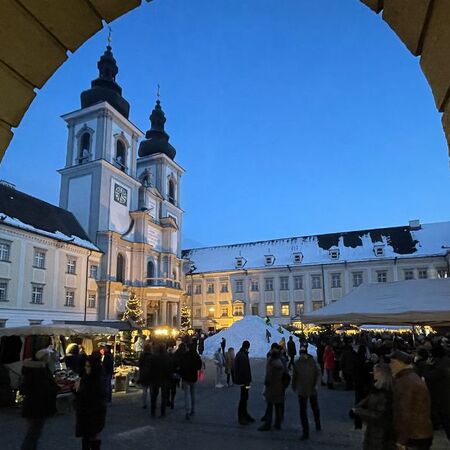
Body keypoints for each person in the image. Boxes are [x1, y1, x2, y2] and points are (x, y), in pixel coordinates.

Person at [389, 349, 433, 450]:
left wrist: (401, 440)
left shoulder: (406, 382)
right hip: (420, 432)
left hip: (413, 436)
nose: (390, 365)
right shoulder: (410, 377)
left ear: (399, 363)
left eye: (392, 362)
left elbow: (405, 412)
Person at [352, 363, 396, 450]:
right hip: (375, 430)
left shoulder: (384, 393)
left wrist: (359, 412)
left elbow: (379, 415)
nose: (373, 373)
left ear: (382, 374)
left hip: (380, 433)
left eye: (375, 371)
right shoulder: (377, 388)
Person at [20, 348, 57, 450]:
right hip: (38, 407)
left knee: (34, 433)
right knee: (33, 433)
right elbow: (44, 389)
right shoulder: (40, 372)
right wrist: (54, 388)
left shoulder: (31, 370)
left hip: (31, 405)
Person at [74, 353, 106, 450]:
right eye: (85, 365)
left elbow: (88, 397)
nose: (85, 368)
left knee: (89, 438)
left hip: (91, 415)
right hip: (89, 415)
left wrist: (78, 390)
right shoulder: (88, 378)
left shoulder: (94, 381)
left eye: (88, 366)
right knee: (89, 438)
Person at [292, 345, 321, 440]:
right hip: (302, 389)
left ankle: (318, 423)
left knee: (314, 407)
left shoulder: (312, 362)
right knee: (303, 411)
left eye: (304, 353)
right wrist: (294, 385)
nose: (302, 355)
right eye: (301, 353)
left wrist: (316, 384)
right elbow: (295, 376)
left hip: (312, 388)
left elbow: (318, 373)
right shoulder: (297, 363)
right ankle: (305, 431)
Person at [258, 345, 287, 431]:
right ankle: (278, 423)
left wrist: (266, 383)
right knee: (278, 405)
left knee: (270, 405)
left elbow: (269, 376)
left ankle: (268, 424)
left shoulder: (271, 363)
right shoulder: (281, 361)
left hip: (271, 387)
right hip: (279, 387)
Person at [426, 345, 450, 442]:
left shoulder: (439, 367)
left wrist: (427, 366)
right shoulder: (446, 362)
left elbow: (428, 376)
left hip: (444, 401)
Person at [179, 342, 202, 420]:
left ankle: (187, 411)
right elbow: (199, 365)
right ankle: (193, 409)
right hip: (193, 377)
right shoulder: (196, 356)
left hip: (185, 377)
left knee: (186, 395)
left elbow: (181, 366)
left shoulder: (185, 356)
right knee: (193, 394)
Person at [233, 340, 254, 425]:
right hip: (244, 382)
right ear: (248, 346)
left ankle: (245, 414)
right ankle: (241, 417)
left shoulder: (242, 354)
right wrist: (245, 381)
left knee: (245, 397)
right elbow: (243, 370)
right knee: (243, 398)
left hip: (246, 381)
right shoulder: (242, 355)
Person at [149, 343, 171, 418]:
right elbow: (169, 368)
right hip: (164, 379)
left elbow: (151, 368)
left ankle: (153, 411)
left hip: (155, 378)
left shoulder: (154, 357)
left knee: (154, 395)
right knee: (163, 396)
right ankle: (163, 412)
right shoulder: (167, 357)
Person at [138, 341, 153, 409]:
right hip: (150, 374)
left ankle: (144, 403)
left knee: (144, 390)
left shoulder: (142, 355)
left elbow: (139, 364)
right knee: (151, 390)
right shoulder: (152, 356)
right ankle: (152, 402)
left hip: (143, 373)